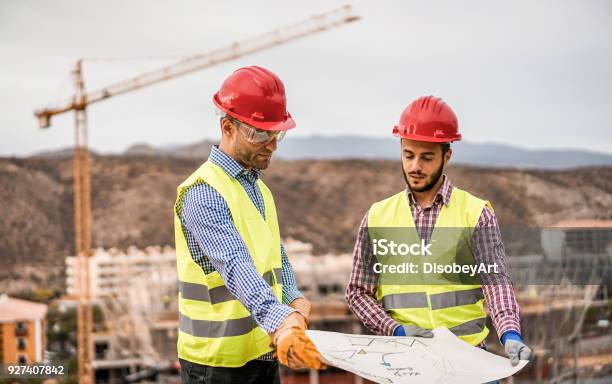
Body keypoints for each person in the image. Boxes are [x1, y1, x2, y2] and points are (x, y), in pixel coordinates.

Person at [346, 95, 532, 368]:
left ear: (447, 156)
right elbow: (358, 292)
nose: (415, 167)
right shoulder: (378, 216)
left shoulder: (476, 213)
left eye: (427, 157)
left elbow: (497, 285)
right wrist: (394, 329)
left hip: (468, 363)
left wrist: (510, 333)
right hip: (405, 364)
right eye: (408, 155)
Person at [174, 66, 325, 384]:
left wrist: (293, 298)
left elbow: (274, 255)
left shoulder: (259, 189)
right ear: (227, 127)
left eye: (277, 132)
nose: (272, 144)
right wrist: (282, 322)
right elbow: (234, 265)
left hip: (262, 354)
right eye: (260, 133)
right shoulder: (203, 192)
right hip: (215, 366)